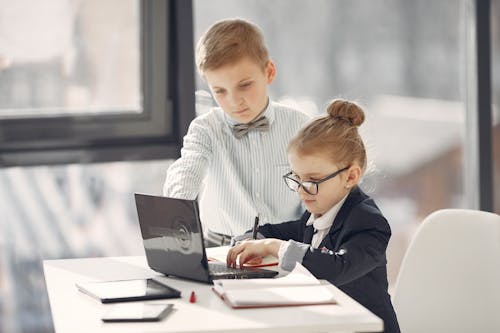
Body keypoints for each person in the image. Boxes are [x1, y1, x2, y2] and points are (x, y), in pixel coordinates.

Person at [227, 99, 400, 333]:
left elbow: (336, 268)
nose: (300, 189)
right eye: (296, 178)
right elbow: (270, 231)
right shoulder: (314, 217)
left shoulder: (369, 224)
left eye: (311, 181)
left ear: (350, 176)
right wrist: (247, 241)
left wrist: (273, 246)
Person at [163, 18, 309, 246]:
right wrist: (178, 207)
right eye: (220, 91)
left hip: (283, 246)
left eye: (244, 85)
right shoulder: (205, 128)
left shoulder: (301, 127)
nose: (233, 101)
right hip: (220, 247)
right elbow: (186, 171)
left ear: (269, 72)